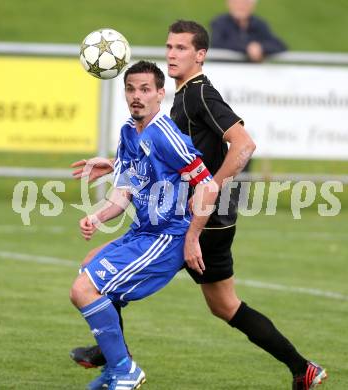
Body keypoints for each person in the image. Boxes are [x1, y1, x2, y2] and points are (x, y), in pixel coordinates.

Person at [71, 21, 327, 390]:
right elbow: (167, 154)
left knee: (94, 272)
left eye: (182, 48)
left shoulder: (200, 95)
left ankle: (115, 361)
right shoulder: (179, 98)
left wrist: (210, 189)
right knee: (225, 306)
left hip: (202, 219)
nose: (172, 54)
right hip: (201, 214)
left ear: (200, 55)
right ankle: (303, 368)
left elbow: (244, 145)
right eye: (169, 47)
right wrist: (117, 164)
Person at [69, 60, 216, 390]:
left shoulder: (166, 136)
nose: (137, 96)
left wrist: (192, 238)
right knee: (86, 270)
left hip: (169, 237)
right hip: (143, 232)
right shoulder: (126, 132)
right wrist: (97, 216)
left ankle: (124, 369)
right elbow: (125, 191)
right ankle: (113, 366)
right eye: (131, 89)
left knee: (84, 289)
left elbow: (209, 185)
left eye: (145, 89)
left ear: (160, 94)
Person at [211, 0, 287, 62]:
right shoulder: (220, 23)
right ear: (229, 4)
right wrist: (247, 48)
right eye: (236, 3)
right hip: (226, 72)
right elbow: (217, 44)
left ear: (252, 6)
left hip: (252, 75)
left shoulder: (259, 24)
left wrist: (261, 48)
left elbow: (279, 45)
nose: (240, 6)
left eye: (245, 3)